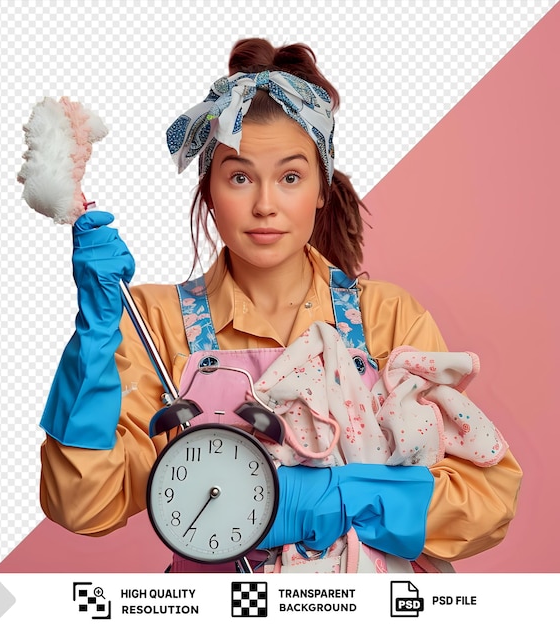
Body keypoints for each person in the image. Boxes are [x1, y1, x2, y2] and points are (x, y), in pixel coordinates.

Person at [38, 38, 522, 573]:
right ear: (209, 190)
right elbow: (84, 505)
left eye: (290, 177)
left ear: (321, 188)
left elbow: (488, 497)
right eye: (240, 177)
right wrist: (95, 338)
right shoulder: (155, 323)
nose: (265, 204)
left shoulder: (386, 318)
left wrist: (337, 497)